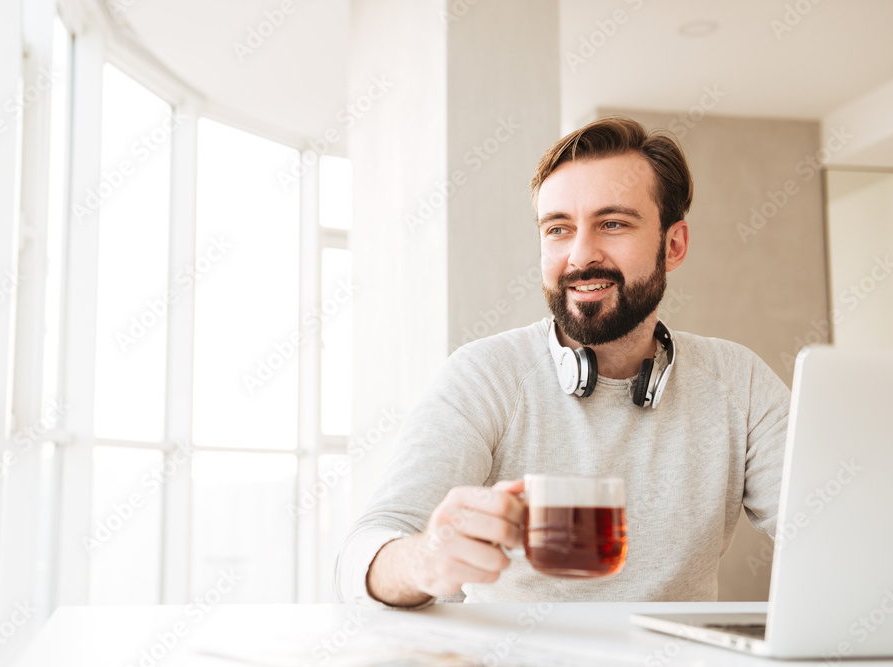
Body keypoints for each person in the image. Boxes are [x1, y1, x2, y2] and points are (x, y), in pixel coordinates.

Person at [334, 116, 790, 607]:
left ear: (673, 245)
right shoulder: (486, 375)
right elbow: (361, 557)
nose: (580, 255)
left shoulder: (737, 381)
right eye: (558, 229)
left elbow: (835, 526)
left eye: (612, 223)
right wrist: (423, 559)